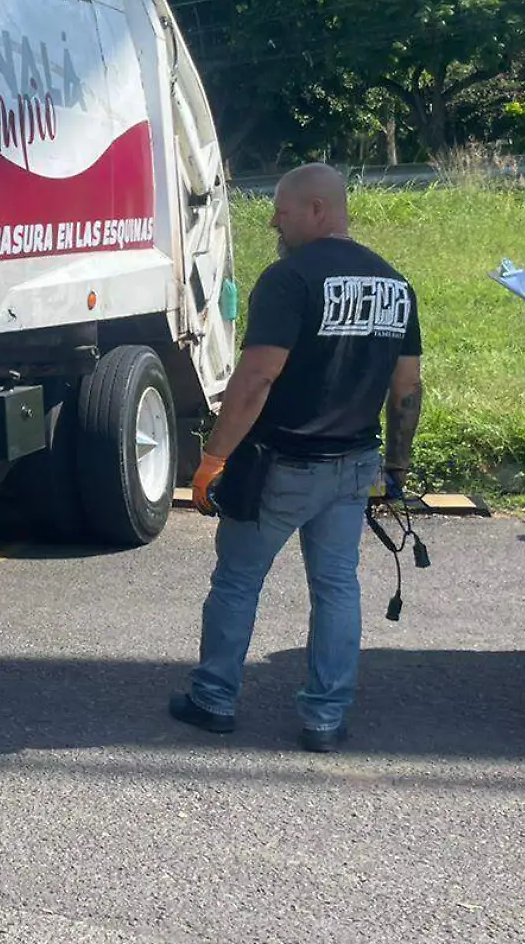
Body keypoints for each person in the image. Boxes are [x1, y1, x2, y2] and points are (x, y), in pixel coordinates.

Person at [169, 162, 424, 753]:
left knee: (237, 581)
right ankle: (325, 718)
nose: (274, 223)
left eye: (282, 212)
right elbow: (406, 388)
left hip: (282, 466)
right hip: (356, 463)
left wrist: (212, 458)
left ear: (316, 210)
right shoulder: (394, 284)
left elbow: (258, 374)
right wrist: (398, 469)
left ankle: (213, 699)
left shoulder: (289, 279)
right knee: (337, 587)